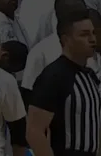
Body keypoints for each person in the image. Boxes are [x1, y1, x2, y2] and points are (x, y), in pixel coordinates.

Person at [27, 10, 100, 156]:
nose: (92, 39)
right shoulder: (54, 75)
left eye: (93, 33)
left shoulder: (90, 76)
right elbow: (34, 131)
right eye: (84, 34)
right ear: (66, 39)